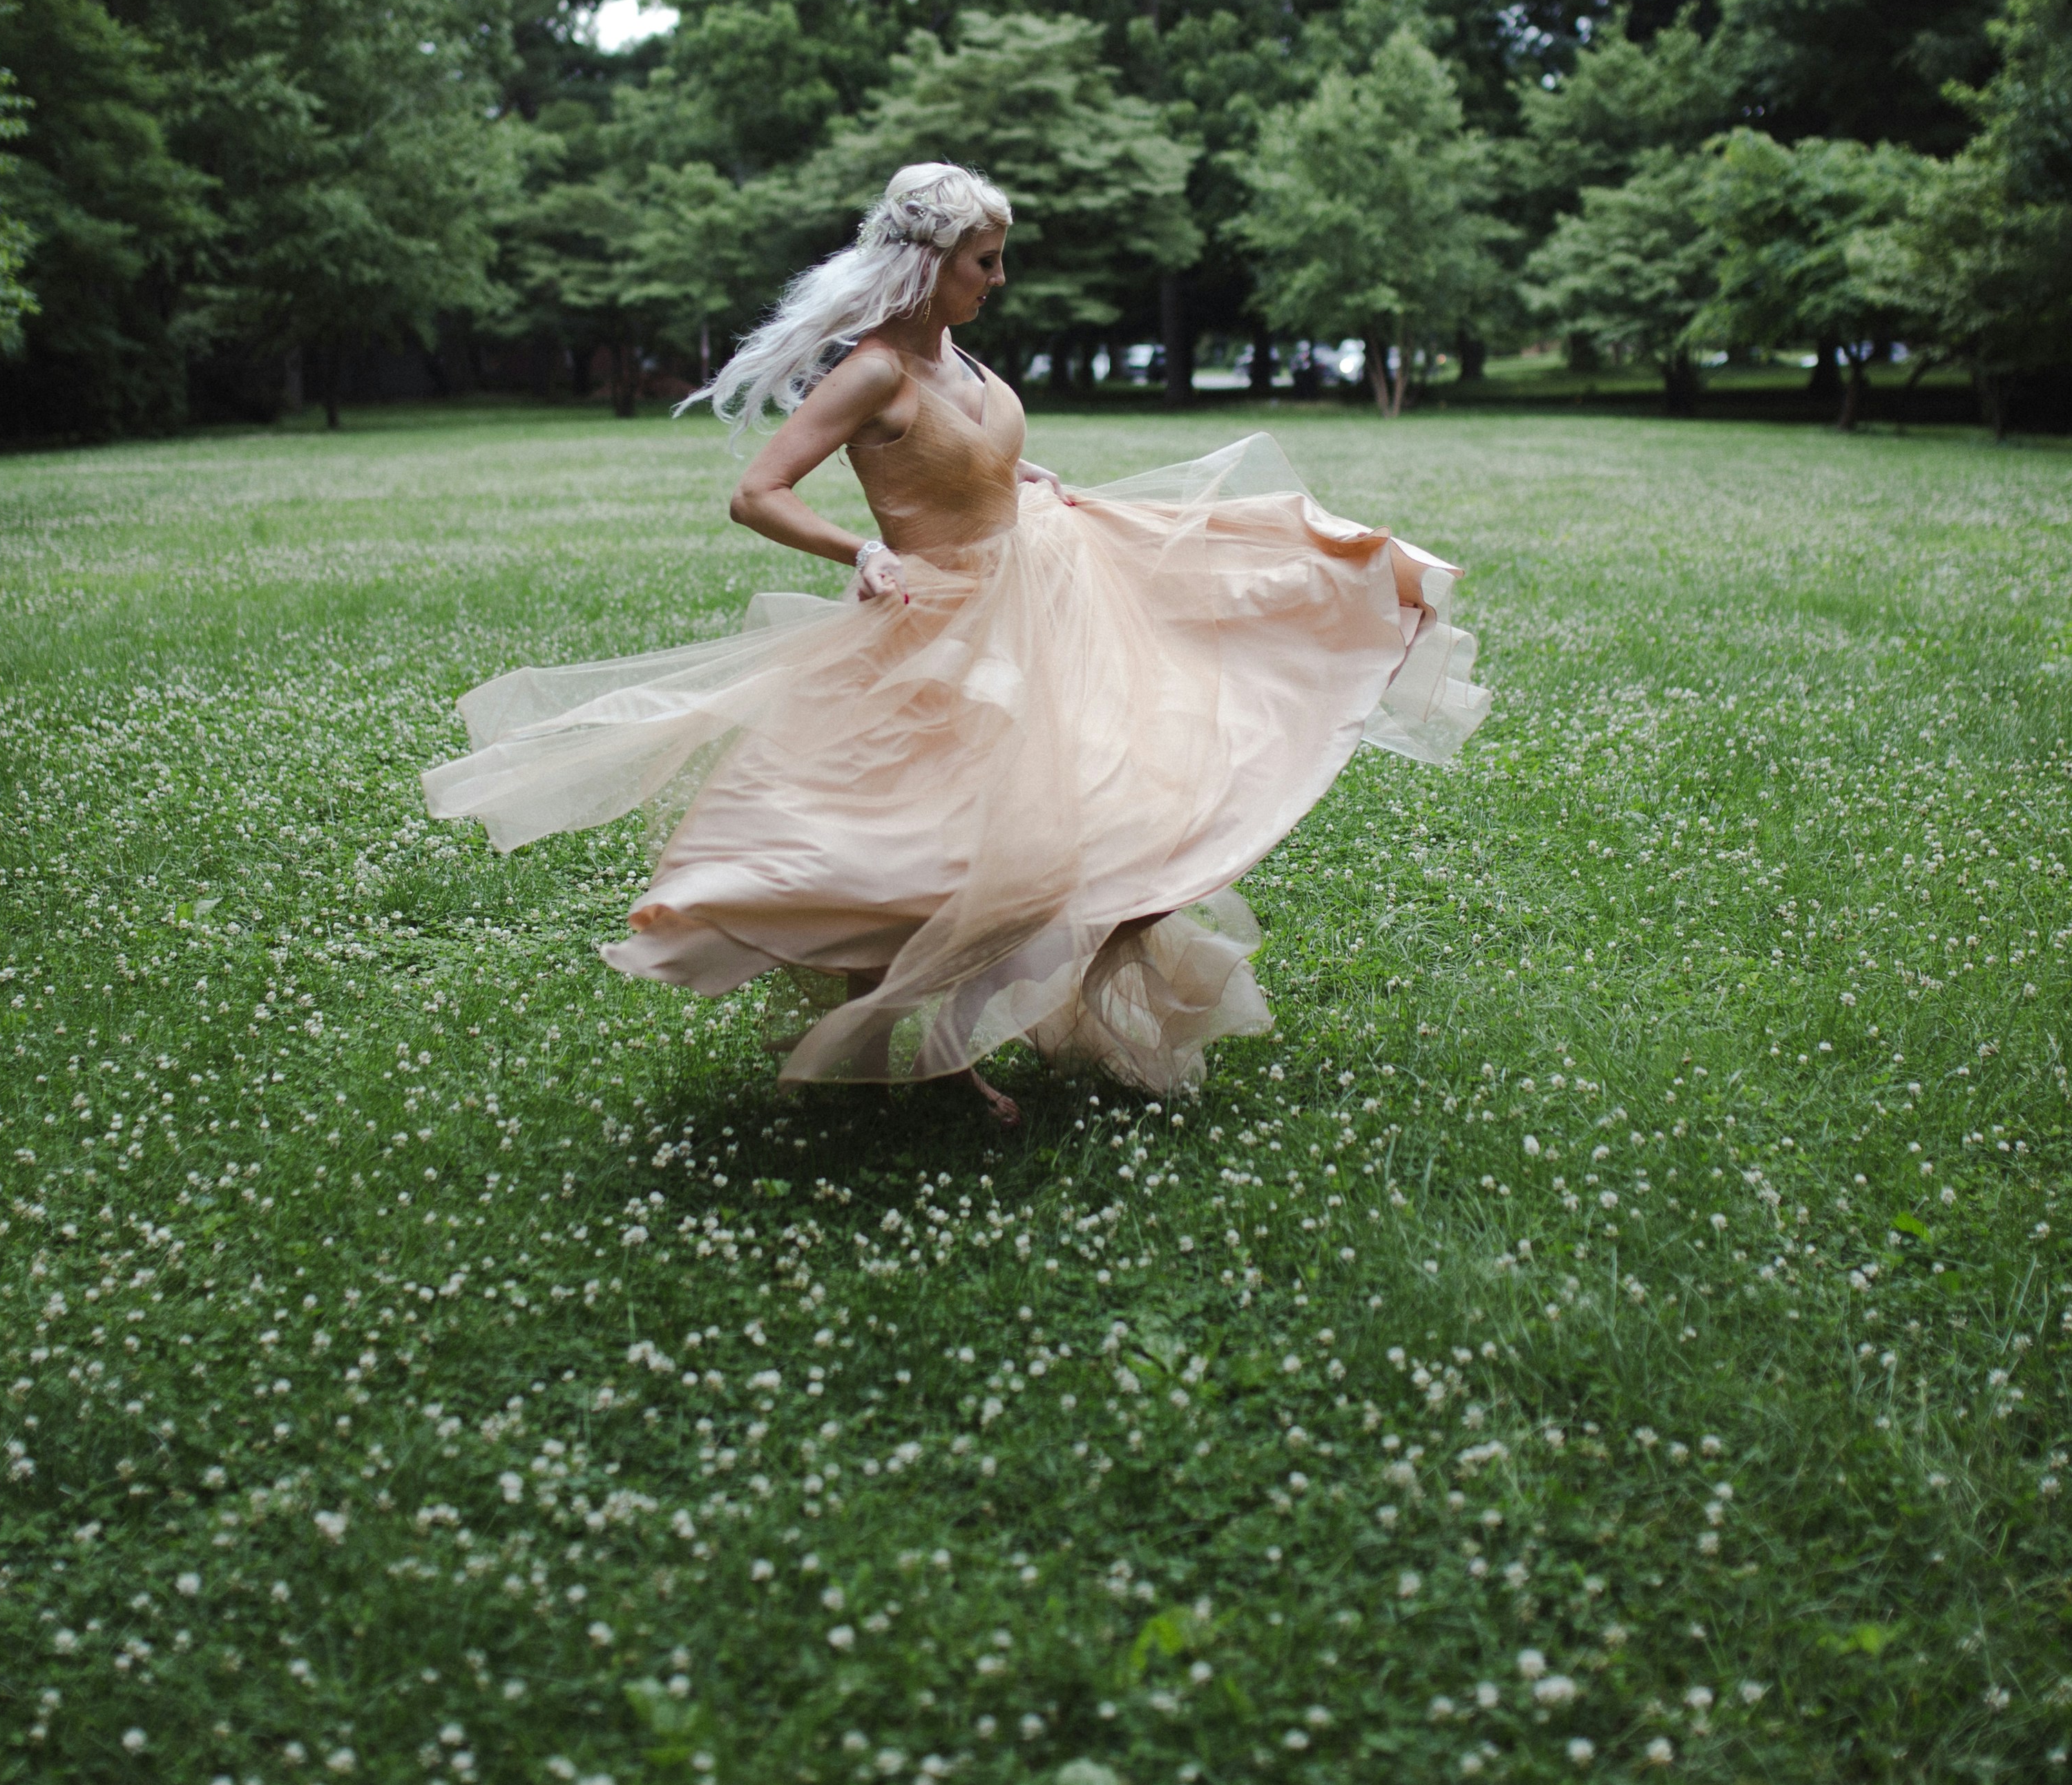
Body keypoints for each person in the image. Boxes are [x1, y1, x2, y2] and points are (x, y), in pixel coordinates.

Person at [421, 162, 1485, 1123]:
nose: (1000, 278)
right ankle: (906, 1047)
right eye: (985, 260)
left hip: (1047, 596)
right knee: (925, 854)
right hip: (941, 629)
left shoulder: (959, 362)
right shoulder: (872, 373)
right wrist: (859, 554)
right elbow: (756, 494)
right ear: (929, 265)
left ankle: (931, 1041)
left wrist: (1012, 477)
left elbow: (961, 461)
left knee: (1132, 819)